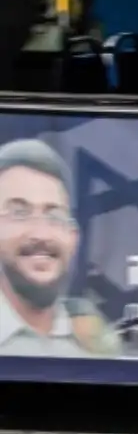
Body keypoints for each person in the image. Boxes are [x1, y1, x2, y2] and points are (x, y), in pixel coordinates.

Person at [0, 136, 117, 357]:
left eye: (54, 216)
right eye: (19, 213)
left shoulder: (100, 346)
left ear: (73, 237)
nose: (41, 234)